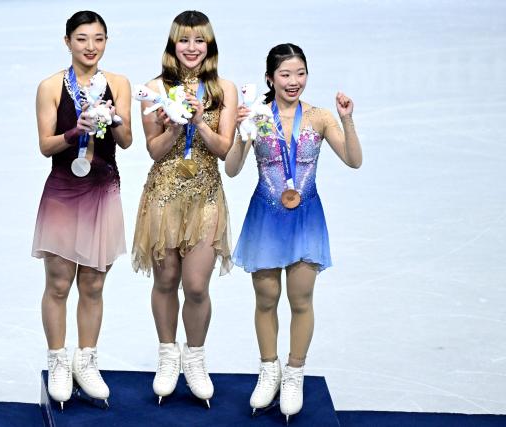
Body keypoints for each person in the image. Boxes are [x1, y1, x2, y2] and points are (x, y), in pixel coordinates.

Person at [225, 43, 362, 421]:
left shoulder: (318, 117)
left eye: (300, 73)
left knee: (301, 300)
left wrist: (346, 119)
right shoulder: (257, 115)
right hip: (266, 219)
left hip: (305, 219)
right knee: (266, 298)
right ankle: (269, 370)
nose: (293, 81)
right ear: (270, 78)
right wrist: (240, 132)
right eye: (285, 74)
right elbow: (232, 169)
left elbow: (353, 160)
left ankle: (294, 372)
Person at [131, 10, 237, 407]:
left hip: (206, 195)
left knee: (195, 286)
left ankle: (195, 356)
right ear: (172, 44)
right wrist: (174, 125)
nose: (191, 48)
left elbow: (225, 149)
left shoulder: (224, 89)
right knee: (165, 280)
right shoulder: (154, 88)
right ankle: (167, 354)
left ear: (209, 45)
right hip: (165, 195)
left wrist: (200, 122)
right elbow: (153, 150)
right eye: (184, 40)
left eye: (199, 40)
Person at [31, 10, 132, 409]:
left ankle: (85, 359)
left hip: (102, 188)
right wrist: (77, 130)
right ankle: (58, 360)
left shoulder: (118, 83)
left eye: (99, 39)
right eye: (82, 39)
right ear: (68, 42)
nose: (91, 47)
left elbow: (125, 141)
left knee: (93, 283)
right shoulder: (51, 86)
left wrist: (112, 116)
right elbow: (45, 145)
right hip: (63, 189)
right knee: (58, 284)